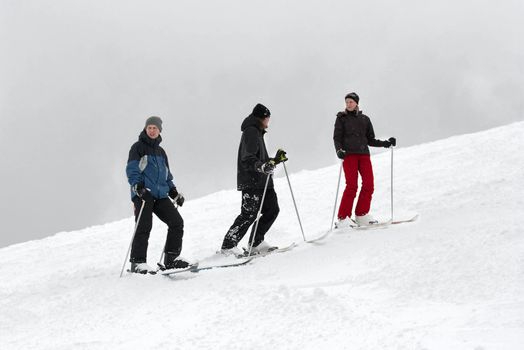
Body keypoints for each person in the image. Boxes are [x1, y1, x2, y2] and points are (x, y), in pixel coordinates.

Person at [220, 103, 285, 256]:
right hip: (252, 181)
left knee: (272, 209)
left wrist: (275, 160)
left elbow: (260, 159)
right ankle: (228, 246)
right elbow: (247, 158)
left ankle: (256, 243)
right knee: (248, 214)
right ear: (262, 118)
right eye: (267, 118)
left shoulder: (258, 132)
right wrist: (262, 167)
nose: (268, 121)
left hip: (263, 182)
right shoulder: (251, 132)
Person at [126, 116, 189, 274]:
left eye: (155, 128)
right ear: (145, 129)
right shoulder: (138, 147)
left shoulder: (161, 152)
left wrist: (173, 192)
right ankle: (138, 263)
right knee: (144, 225)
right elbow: (132, 169)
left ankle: (171, 260)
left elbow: (167, 176)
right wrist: (138, 187)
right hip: (143, 194)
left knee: (176, 222)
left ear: (160, 130)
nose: (152, 131)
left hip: (160, 195)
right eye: (149, 128)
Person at [333, 92, 396, 227]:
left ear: (356, 103)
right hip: (349, 155)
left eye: (351, 102)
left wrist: (386, 143)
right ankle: (344, 218)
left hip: (364, 155)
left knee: (369, 184)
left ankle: (362, 215)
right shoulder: (341, 118)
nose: (348, 104)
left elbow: (370, 140)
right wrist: (339, 150)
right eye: (347, 102)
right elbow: (337, 138)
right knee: (352, 186)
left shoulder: (365, 119)